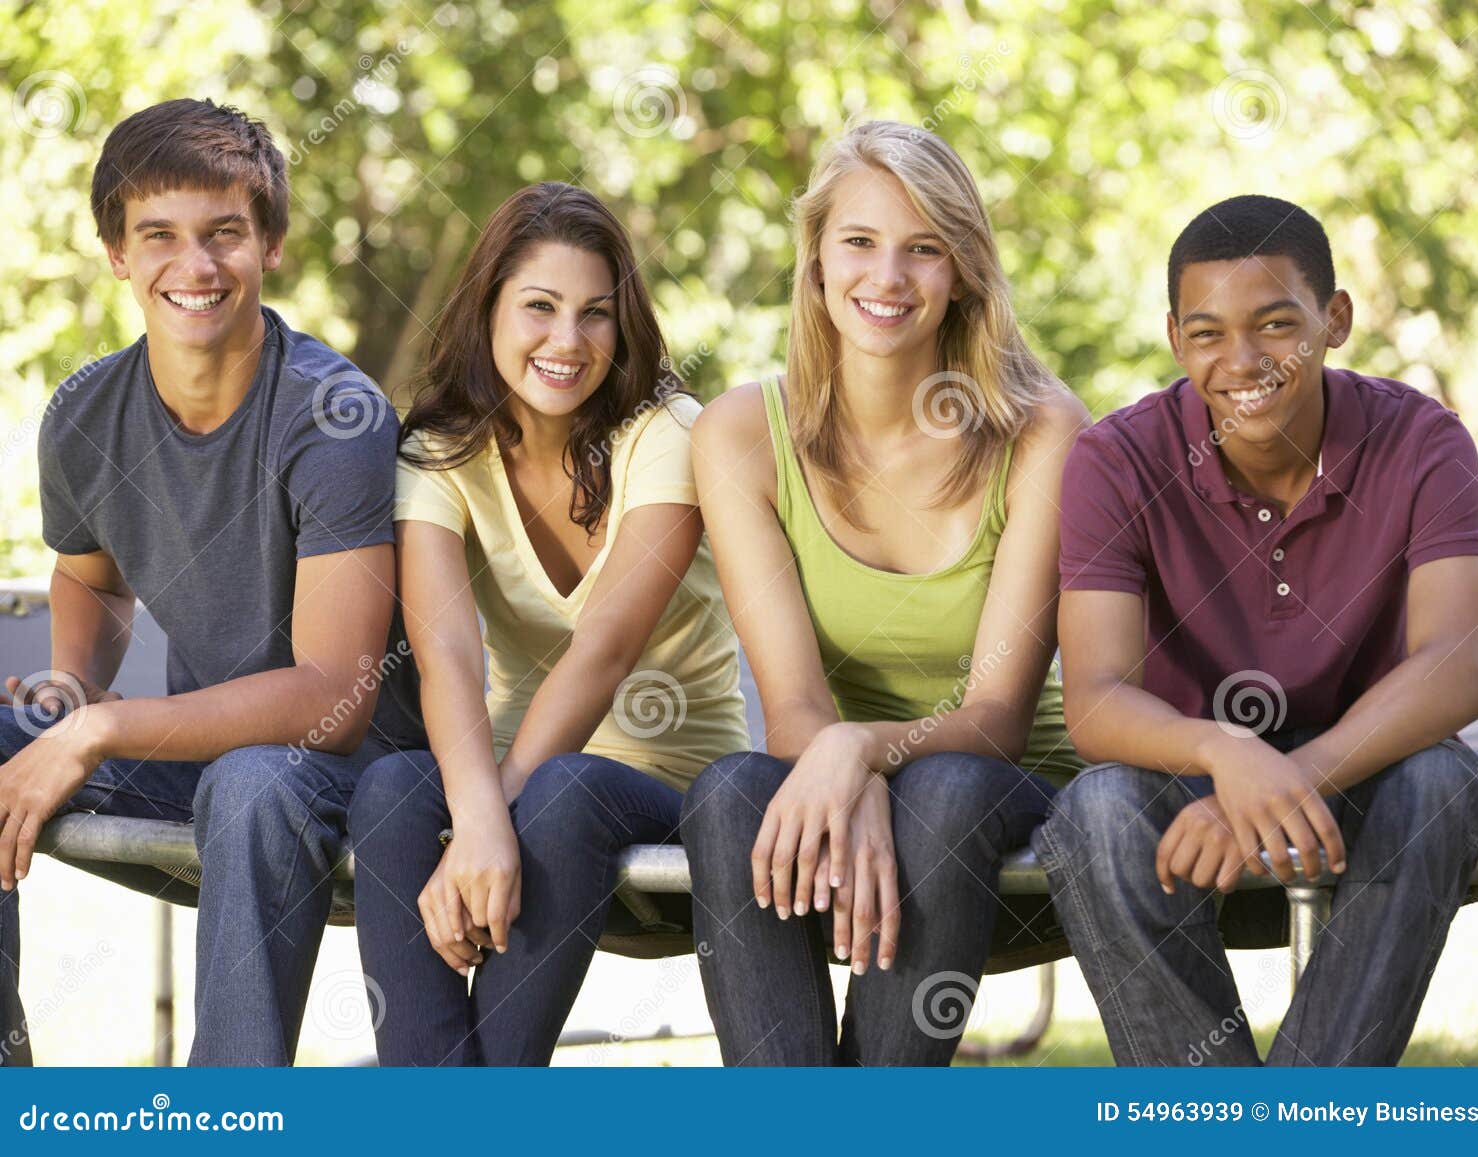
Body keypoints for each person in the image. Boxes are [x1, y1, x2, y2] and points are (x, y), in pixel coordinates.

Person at [0, 98, 425, 1066]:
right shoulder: (82, 411)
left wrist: (99, 726)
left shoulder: (336, 413)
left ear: (269, 243)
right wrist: (73, 683)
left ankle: (227, 1113)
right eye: (160, 235)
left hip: (352, 783)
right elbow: (88, 574)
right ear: (116, 251)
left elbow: (332, 699)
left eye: (224, 233)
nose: (195, 267)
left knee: (252, 778)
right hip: (202, 764)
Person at [1033, 194, 1478, 1066]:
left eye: (1276, 324)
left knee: (1443, 782)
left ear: (1336, 320)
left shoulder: (1421, 440)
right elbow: (1094, 702)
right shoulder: (1115, 457)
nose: (1241, 360)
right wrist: (1224, 754)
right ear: (1176, 338)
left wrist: (1284, 774)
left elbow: (1459, 664)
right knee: (1094, 811)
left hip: (1362, 779)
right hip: (1188, 795)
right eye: (1208, 333)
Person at [682, 121, 1088, 1066]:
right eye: (859, 243)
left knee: (942, 787)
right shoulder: (742, 434)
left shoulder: (1043, 432)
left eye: (924, 249)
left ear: (964, 273)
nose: (887, 278)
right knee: (731, 787)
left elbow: (994, 714)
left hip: (1010, 797)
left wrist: (862, 751)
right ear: (816, 259)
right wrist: (851, 767)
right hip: (842, 795)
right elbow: (791, 706)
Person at [347, 182, 748, 1066]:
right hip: (516, 786)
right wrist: (481, 811)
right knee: (389, 792)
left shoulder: (668, 433)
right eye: (539, 306)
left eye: (595, 314)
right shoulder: (438, 451)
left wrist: (497, 812)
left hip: (672, 793)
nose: (568, 341)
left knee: (566, 787)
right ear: (487, 307)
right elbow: (446, 652)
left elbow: (604, 647)